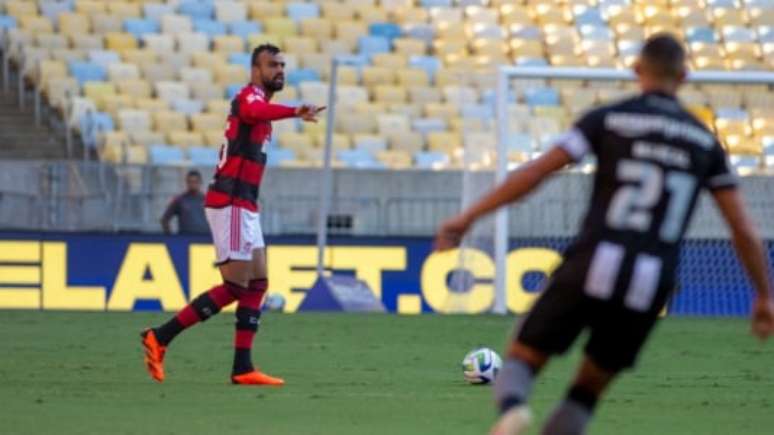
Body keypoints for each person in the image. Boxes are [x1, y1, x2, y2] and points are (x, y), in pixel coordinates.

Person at [434, 33, 774, 435]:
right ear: (683, 76)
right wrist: (764, 294)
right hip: (651, 281)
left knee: (523, 357)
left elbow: (537, 172)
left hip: (593, 258)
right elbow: (743, 229)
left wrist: (467, 217)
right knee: (587, 390)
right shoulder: (704, 142)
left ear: (636, 71)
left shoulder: (610, 118)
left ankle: (513, 409)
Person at [141, 44, 324, 386]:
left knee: (258, 283)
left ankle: (243, 367)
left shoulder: (263, 108)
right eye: (273, 65)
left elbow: (259, 118)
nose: (280, 70)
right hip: (231, 202)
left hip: (246, 205)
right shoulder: (247, 98)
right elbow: (253, 111)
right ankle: (160, 337)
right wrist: (296, 111)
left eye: (283, 64)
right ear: (256, 70)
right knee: (236, 286)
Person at [160, 170, 209, 235]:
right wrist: (170, 238)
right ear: (186, 182)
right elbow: (164, 219)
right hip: (185, 240)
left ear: (200, 182)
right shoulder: (179, 200)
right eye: (190, 182)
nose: (193, 184)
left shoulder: (208, 200)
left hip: (205, 240)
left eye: (195, 182)